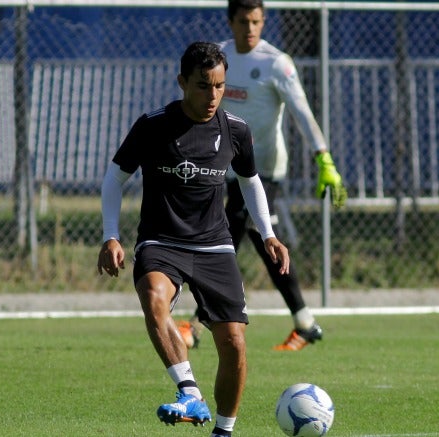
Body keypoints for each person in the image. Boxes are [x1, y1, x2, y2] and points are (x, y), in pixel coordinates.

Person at [97, 41, 289, 437]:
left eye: (219, 86)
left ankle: (223, 431)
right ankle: (189, 393)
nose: (212, 96)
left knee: (234, 343)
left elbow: (250, 182)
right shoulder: (152, 126)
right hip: (161, 241)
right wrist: (110, 236)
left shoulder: (235, 130)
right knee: (153, 297)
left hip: (214, 245)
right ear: (182, 82)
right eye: (203, 86)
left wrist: (268, 233)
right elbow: (115, 179)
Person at [180, 0, 347, 352]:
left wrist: (324, 158)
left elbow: (302, 112)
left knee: (231, 228)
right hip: (226, 165)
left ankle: (198, 323)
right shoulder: (220, 58)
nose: (250, 29)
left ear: (264, 21)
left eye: (256, 21)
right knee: (251, 234)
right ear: (231, 22)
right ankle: (304, 322)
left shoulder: (276, 63)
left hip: (264, 169)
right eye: (243, 21)